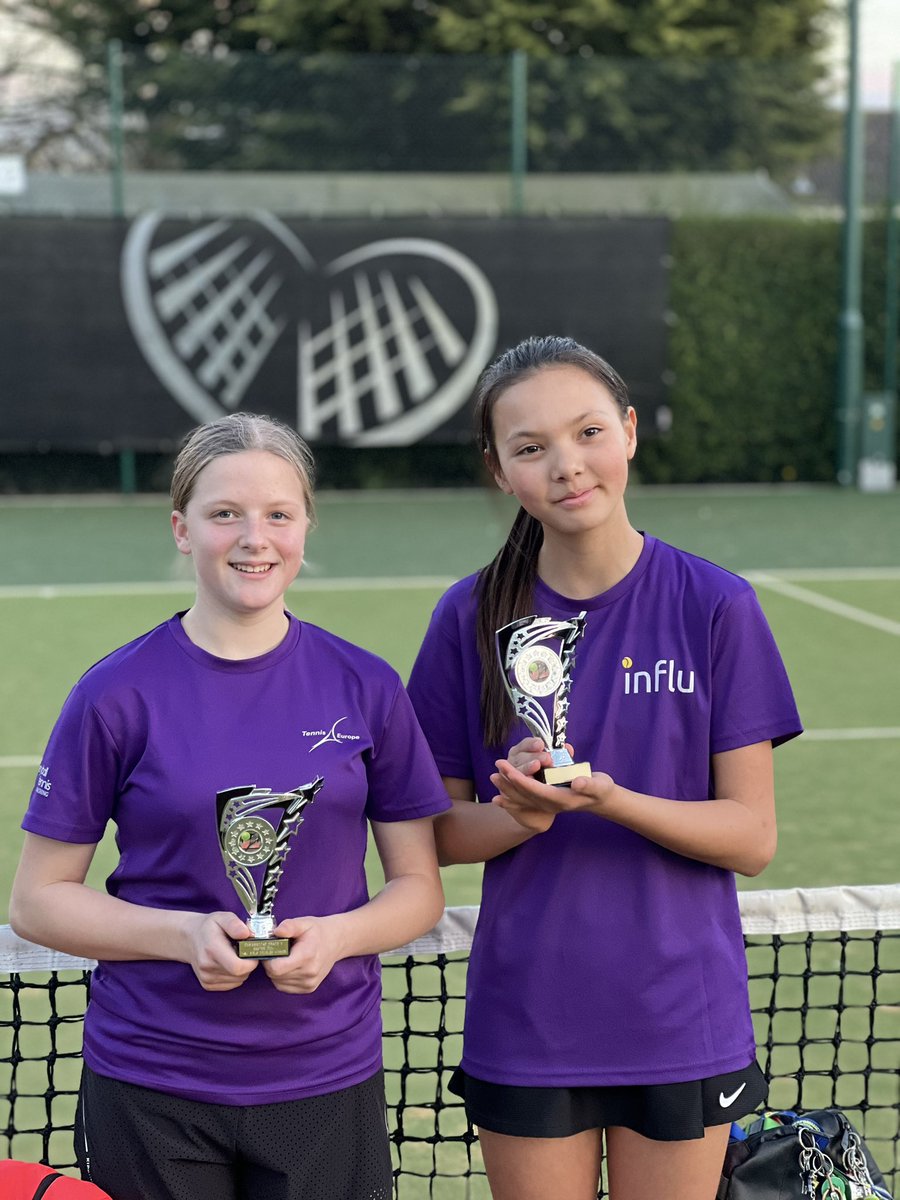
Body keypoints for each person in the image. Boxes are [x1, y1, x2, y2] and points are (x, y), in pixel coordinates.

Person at [10, 412, 450, 1200]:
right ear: (182, 529)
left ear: (306, 524)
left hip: (324, 1074)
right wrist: (182, 936)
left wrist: (338, 937)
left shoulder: (367, 686)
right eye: (225, 514)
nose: (256, 538)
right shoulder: (114, 694)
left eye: (279, 513)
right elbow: (38, 904)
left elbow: (419, 887)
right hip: (152, 1080)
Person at [406, 336, 802, 1200]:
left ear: (627, 431)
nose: (566, 466)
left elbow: (751, 837)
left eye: (587, 432)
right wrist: (520, 813)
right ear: (499, 469)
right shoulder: (466, 617)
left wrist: (614, 801)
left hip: (681, 1017)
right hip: (528, 1019)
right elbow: (434, 834)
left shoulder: (715, 605)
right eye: (530, 448)